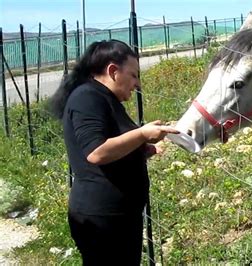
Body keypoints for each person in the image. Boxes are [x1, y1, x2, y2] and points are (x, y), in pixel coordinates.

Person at [50, 39, 178, 265]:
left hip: (118, 216)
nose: (137, 84)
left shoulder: (104, 98)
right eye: (134, 75)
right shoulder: (87, 98)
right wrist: (140, 134)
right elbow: (96, 152)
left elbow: (113, 147)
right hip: (103, 219)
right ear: (113, 71)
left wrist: (145, 148)